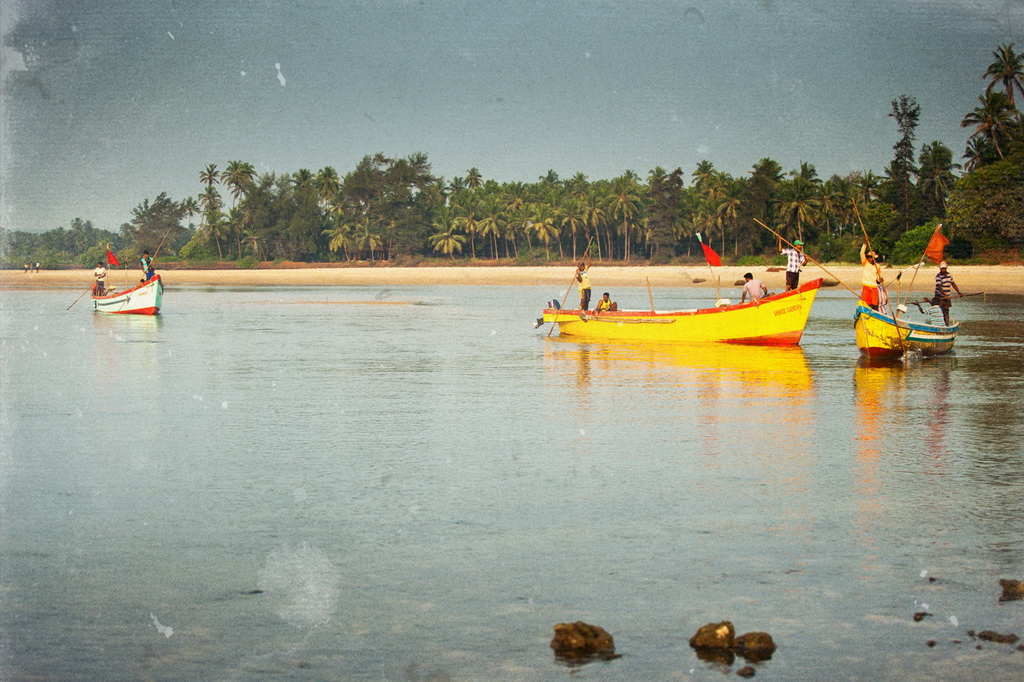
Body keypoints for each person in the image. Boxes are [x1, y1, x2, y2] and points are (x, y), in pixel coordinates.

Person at [932, 261, 962, 326]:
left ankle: (946, 325)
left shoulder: (949, 275)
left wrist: (958, 292)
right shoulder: (938, 276)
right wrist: (944, 294)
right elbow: (939, 286)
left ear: (946, 268)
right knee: (939, 311)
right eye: (942, 268)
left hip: (947, 296)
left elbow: (953, 283)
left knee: (946, 310)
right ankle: (940, 324)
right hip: (939, 296)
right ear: (940, 268)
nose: (943, 270)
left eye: (944, 268)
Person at [859, 242, 884, 311]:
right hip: (866, 286)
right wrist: (865, 244)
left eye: (871, 258)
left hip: (874, 287)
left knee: (874, 304)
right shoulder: (865, 263)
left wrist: (880, 279)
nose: (870, 259)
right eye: (869, 258)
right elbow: (861, 253)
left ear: (874, 258)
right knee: (865, 303)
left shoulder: (877, 266)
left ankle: (875, 314)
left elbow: (878, 277)